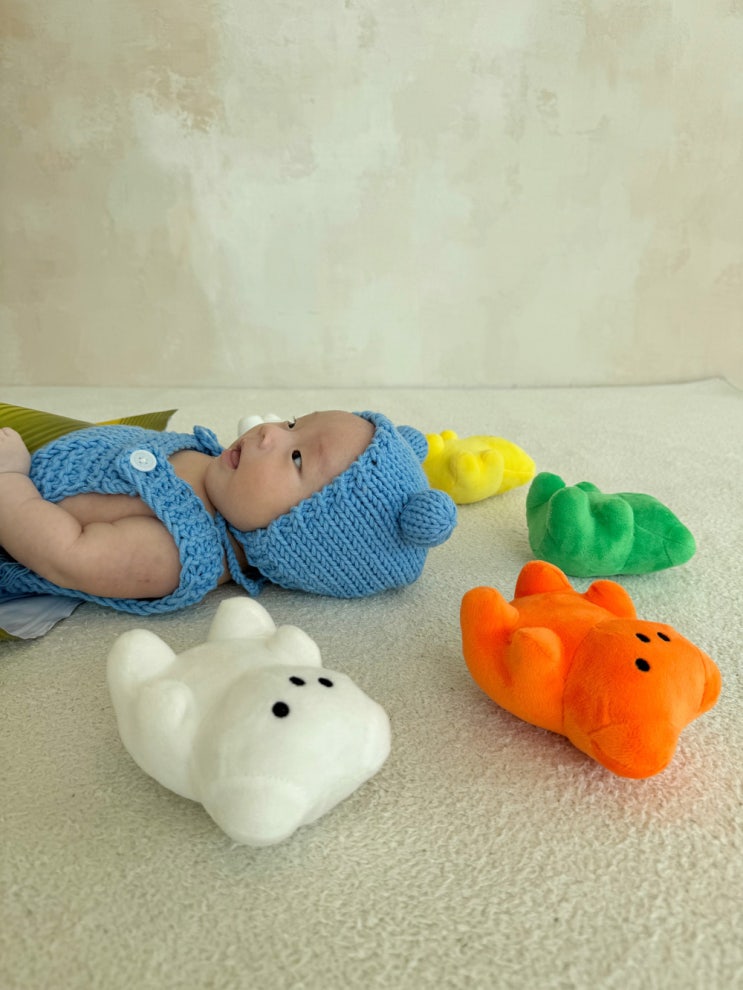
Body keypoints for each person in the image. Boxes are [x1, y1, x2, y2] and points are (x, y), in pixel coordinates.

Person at [0, 410, 457, 615]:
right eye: (293, 422)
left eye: (297, 457)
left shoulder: (181, 552)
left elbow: (66, 554)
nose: (269, 432)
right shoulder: (218, 471)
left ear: (293, 535)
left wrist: (10, 479)